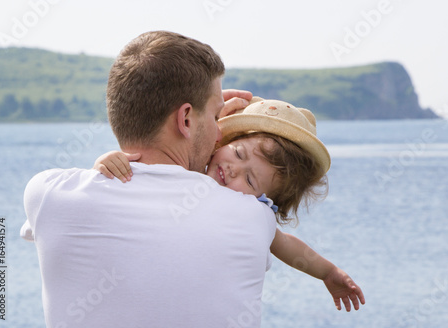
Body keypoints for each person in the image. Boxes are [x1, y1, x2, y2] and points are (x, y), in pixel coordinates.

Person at [21, 31, 277, 328]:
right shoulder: (253, 217)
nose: (219, 132)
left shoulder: (47, 194)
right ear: (185, 120)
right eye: (216, 118)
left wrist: (204, 114)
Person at [95, 97, 366, 312]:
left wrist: (328, 272)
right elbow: (138, 171)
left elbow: (285, 244)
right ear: (224, 141)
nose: (234, 169)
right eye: (238, 152)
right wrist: (108, 161)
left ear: (262, 199)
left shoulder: (252, 211)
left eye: (250, 179)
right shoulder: (186, 168)